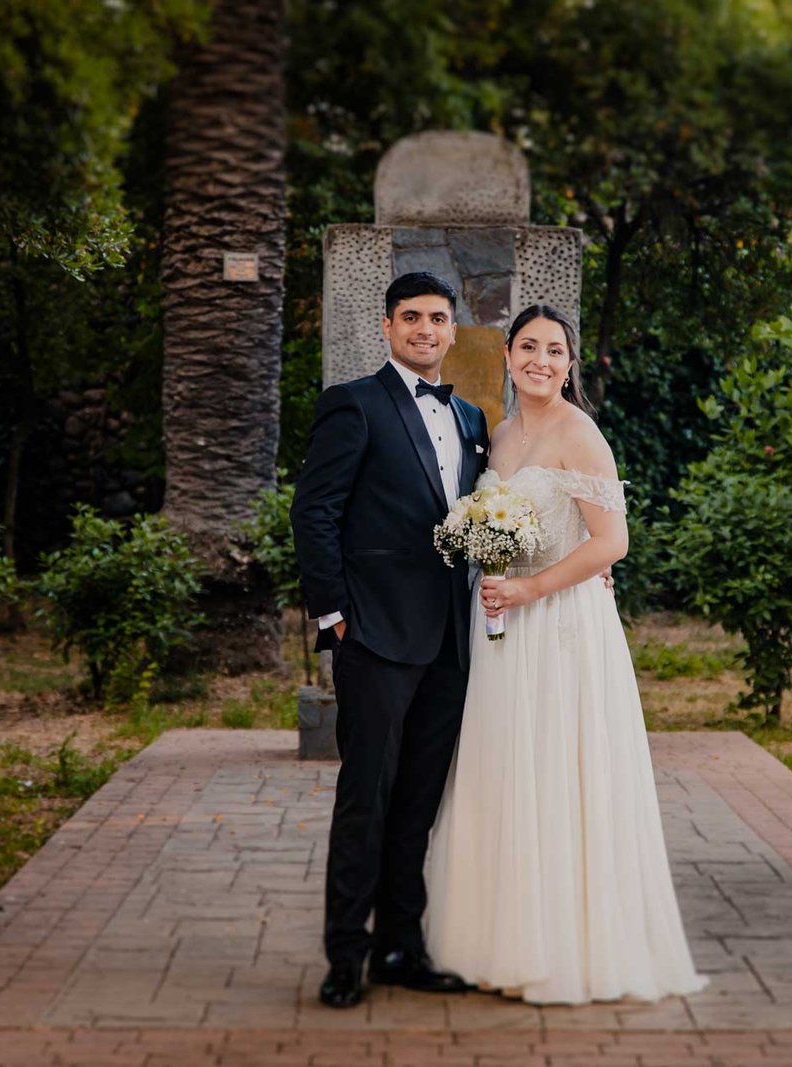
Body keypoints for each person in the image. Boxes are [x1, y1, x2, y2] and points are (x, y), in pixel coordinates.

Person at [424, 304, 708, 1004]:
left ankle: (567, 949)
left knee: (556, 771)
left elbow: (612, 543)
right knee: (504, 771)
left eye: (554, 350)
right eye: (528, 347)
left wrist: (531, 587)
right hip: (501, 628)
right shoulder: (499, 433)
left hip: (559, 626)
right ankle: (498, 943)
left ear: (569, 364)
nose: (540, 361)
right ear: (508, 357)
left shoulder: (582, 434)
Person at [289, 272, 489, 1009]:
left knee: (418, 803)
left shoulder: (471, 416)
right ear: (387, 326)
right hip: (374, 634)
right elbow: (314, 511)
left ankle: (402, 947)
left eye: (437, 318)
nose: (424, 330)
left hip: (450, 641)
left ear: (452, 330)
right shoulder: (354, 404)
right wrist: (334, 615)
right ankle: (347, 955)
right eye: (411, 318)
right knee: (366, 799)